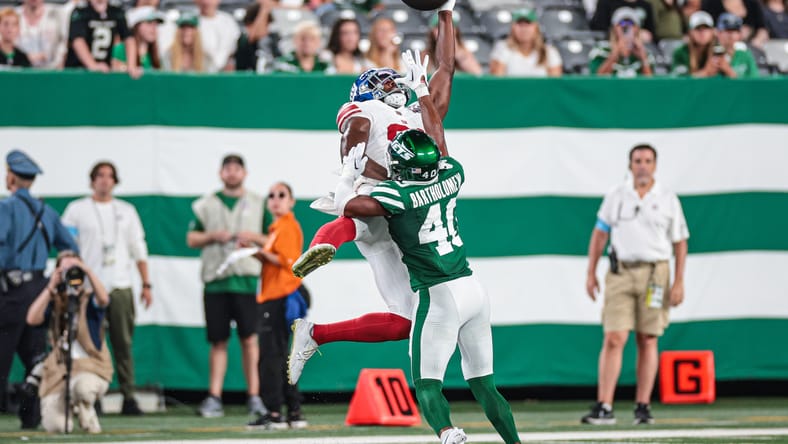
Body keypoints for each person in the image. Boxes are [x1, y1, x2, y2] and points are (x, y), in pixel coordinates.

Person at [322, 49, 522, 444]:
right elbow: (439, 139)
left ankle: (447, 433)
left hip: (438, 294)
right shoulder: (451, 172)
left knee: (428, 385)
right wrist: (422, 93)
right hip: (473, 289)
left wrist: (349, 174)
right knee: (486, 385)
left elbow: (348, 205)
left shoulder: (398, 196)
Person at [287, 0, 458, 386]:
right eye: (381, 80)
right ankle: (319, 248)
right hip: (375, 186)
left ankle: (315, 334)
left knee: (405, 321)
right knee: (360, 213)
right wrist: (368, 168)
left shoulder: (418, 112)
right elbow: (356, 130)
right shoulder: (367, 109)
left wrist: (445, 12)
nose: (391, 82)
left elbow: (446, 68)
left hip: (405, 209)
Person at [581, 143, 689, 425]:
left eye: (648, 160)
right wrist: (591, 272)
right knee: (614, 337)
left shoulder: (667, 198)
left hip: (656, 275)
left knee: (648, 337)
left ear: (655, 165)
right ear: (630, 165)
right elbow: (600, 234)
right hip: (621, 272)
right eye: (637, 160)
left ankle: (643, 405)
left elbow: (680, 242)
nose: (642, 165)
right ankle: (604, 405)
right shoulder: (617, 196)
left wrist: (678, 281)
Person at [61, 161, 152, 416]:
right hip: (89, 288)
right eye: (100, 175)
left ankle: (128, 395)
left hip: (120, 285)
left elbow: (139, 248)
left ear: (115, 181)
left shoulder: (126, 211)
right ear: (92, 180)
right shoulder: (76, 210)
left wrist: (146, 284)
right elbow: (67, 249)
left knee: (123, 342)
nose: (104, 180)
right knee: (92, 343)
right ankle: (93, 396)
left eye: (109, 176)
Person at [0, 149, 79, 429]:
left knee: (3, 353)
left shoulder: (6, 208)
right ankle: (30, 416)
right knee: (34, 358)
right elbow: (71, 249)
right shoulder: (48, 211)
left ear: (11, 177)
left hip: (10, 290)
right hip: (39, 289)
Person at [186, 154, 269, 418]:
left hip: (246, 280)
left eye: (237, 169)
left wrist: (252, 238)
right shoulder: (206, 205)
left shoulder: (258, 202)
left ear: (244, 173)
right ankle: (214, 397)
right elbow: (191, 238)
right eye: (227, 169)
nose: (232, 173)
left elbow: (272, 238)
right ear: (221, 173)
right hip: (216, 282)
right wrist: (212, 236)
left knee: (249, 339)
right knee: (218, 341)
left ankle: (255, 396)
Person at [26, 251, 112, 434]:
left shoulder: (89, 299)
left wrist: (86, 270)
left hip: (91, 367)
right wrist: (51, 286)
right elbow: (32, 319)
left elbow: (104, 299)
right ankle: (73, 406)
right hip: (60, 371)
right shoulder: (55, 300)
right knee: (57, 427)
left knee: (83, 389)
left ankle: (85, 408)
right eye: (66, 268)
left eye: (75, 268)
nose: (72, 272)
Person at [247, 182, 308, 430]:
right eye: (271, 195)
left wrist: (257, 251)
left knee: (271, 357)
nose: (275, 199)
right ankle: (294, 410)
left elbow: (288, 262)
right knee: (282, 355)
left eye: (281, 195)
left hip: (280, 296)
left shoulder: (288, 227)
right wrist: (257, 251)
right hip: (277, 295)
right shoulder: (276, 228)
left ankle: (274, 412)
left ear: (291, 201)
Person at [489, 8, 562, 77]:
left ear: (536, 27)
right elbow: (497, 81)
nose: (524, 29)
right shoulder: (502, 48)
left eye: (528, 23)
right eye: (519, 24)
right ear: (512, 28)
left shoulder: (549, 52)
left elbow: (555, 84)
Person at [64, 0, 133, 71]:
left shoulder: (115, 11)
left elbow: (128, 38)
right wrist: (92, 65)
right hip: (79, 69)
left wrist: (131, 65)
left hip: (104, 69)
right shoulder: (81, 11)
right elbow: (78, 41)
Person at [589, 7, 655, 77]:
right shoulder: (601, 50)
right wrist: (615, 54)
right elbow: (596, 80)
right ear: (614, 28)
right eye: (621, 23)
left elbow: (650, 84)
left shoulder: (647, 54)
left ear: (637, 28)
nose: (626, 26)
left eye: (631, 23)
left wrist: (643, 58)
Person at [15, 0, 68, 68]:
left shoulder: (57, 13)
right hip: (19, 70)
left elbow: (64, 43)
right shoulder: (12, 14)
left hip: (51, 71)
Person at [111, 6, 162, 72]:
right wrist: (125, 68)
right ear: (136, 25)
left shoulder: (154, 55)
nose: (154, 28)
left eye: (156, 24)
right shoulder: (121, 49)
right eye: (149, 23)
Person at [194, 0, 240, 72]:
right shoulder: (191, 22)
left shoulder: (228, 21)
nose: (206, 2)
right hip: (199, 72)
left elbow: (233, 49)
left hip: (224, 73)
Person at [701, 0, 769, 46]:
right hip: (719, 47)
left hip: (749, 47)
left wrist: (755, 43)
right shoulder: (710, 3)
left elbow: (762, 29)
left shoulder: (752, 3)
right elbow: (705, 28)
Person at [671, 10, 718, 76]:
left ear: (712, 32)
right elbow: (680, 79)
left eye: (706, 28)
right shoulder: (681, 52)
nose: (702, 33)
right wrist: (705, 72)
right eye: (698, 29)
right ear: (691, 32)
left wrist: (727, 69)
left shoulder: (718, 50)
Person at [234, 0, 276, 72]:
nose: (267, 30)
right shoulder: (243, 40)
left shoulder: (272, 39)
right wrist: (264, 9)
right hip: (248, 81)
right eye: (265, 25)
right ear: (249, 24)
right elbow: (252, 36)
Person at [713, 12, 759, 77]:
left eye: (735, 30)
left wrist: (728, 70)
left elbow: (755, 81)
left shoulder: (745, 55)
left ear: (740, 34)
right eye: (727, 30)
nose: (731, 34)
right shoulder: (711, 55)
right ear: (718, 33)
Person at [591, 0, 657, 41]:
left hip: (638, 48)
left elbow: (651, 33)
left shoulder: (646, 5)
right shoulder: (606, 2)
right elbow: (598, 28)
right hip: (611, 46)